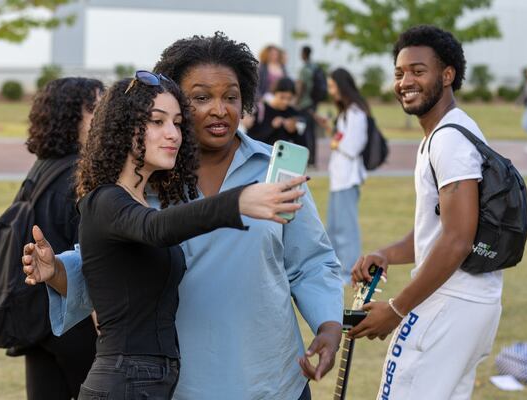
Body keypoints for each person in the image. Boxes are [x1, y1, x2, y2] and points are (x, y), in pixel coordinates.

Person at [23, 33, 343, 400]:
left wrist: (328, 327)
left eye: (231, 97)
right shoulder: (146, 184)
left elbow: (312, 262)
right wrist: (60, 272)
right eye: (201, 97)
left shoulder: (274, 169)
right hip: (181, 386)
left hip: (272, 382)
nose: (219, 110)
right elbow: (110, 262)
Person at [349, 25, 502, 400]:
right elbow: (438, 232)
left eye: (418, 71)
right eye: (399, 73)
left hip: (451, 304)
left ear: (447, 75)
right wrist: (387, 254)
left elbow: (458, 240)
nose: (405, 81)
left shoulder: (449, 139)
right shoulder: (451, 132)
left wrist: (396, 309)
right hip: (473, 304)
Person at [23, 77, 104, 400]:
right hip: (72, 320)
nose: (103, 116)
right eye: (95, 108)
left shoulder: (41, 167)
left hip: (36, 320)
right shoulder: (80, 175)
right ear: (73, 116)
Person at [326, 68, 370, 284]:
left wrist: (336, 142)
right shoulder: (345, 112)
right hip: (338, 178)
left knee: (347, 230)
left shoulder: (356, 114)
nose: (330, 90)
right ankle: (335, 269)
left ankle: (349, 273)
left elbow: (352, 146)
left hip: (348, 178)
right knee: (333, 228)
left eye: (333, 86)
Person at [244, 77, 305, 146]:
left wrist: (294, 131)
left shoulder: (292, 113)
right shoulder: (261, 110)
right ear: (274, 93)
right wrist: (271, 127)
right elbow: (252, 139)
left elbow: (301, 142)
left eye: (289, 99)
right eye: (282, 97)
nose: (285, 102)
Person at [296, 45, 321, 166]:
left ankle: (308, 159)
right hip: (313, 103)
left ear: (304, 54)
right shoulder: (314, 67)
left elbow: (301, 86)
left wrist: (297, 101)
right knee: (312, 132)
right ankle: (312, 159)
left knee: (305, 132)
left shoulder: (304, 69)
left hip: (305, 104)